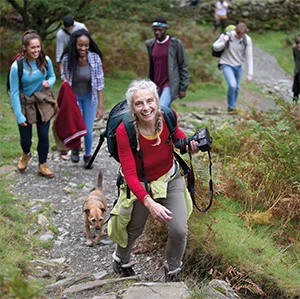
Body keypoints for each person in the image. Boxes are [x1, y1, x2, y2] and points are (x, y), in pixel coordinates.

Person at [108, 79, 199, 281]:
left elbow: (176, 137)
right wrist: (149, 202)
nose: (146, 107)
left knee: (179, 229)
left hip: (170, 177)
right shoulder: (125, 131)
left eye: (150, 101)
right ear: (132, 108)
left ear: (157, 102)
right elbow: (129, 173)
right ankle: (120, 260)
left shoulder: (168, 116)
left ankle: (173, 270)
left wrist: (189, 145)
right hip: (140, 183)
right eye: (139, 103)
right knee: (133, 229)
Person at [9, 30, 56, 178]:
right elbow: (14, 92)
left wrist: (49, 82)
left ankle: (42, 165)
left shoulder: (45, 60)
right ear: (25, 48)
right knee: (26, 139)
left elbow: (52, 75)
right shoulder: (17, 67)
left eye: (38, 47)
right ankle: (26, 154)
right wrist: (19, 115)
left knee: (43, 135)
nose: (36, 50)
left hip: (42, 100)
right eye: (33, 47)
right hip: (25, 103)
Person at [61, 29, 104, 168]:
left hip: (89, 97)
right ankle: (75, 148)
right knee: (75, 126)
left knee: (88, 129)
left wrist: (100, 106)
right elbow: (65, 77)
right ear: (75, 44)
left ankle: (87, 155)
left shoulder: (95, 59)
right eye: (80, 45)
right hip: (74, 98)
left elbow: (99, 83)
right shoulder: (68, 59)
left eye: (86, 45)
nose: (83, 48)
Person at [145, 16, 190, 108]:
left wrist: (183, 87)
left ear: (165, 29)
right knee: (165, 110)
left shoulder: (175, 44)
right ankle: (171, 122)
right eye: (155, 30)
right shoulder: (150, 44)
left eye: (160, 30)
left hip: (170, 83)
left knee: (161, 107)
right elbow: (152, 66)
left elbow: (183, 65)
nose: (157, 32)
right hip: (156, 83)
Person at [212, 22, 253, 114]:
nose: (241, 37)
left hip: (238, 65)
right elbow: (215, 47)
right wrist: (224, 42)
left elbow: (249, 56)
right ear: (236, 32)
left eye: (243, 35)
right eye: (239, 35)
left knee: (237, 87)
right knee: (232, 85)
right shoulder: (227, 36)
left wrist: (250, 74)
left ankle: (232, 106)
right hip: (226, 63)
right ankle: (231, 107)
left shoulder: (247, 39)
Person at [292, 34, 300, 103]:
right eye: (298, 46)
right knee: (296, 90)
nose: (299, 48)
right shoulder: (294, 48)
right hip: (297, 71)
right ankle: (294, 106)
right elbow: (295, 58)